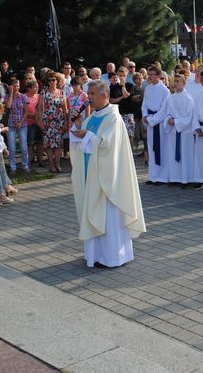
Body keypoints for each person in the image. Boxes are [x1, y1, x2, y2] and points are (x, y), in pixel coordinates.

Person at [69, 80, 146, 268]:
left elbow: (107, 147)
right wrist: (79, 128)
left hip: (108, 179)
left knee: (109, 218)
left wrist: (86, 135)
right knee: (93, 212)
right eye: (89, 93)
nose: (89, 97)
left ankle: (113, 257)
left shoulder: (113, 118)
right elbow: (84, 141)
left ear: (104, 95)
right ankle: (94, 255)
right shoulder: (91, 117)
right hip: (91, 175)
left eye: (93, 94)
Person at [162, 74, 195, 186]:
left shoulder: (188, 98)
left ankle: (186, 179)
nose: (175, 83)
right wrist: (169, 119)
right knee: (173, 154)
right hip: (173, 131)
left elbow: (189, 117)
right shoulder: (170, 98)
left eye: (178, 81)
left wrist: (176, 122)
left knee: (185, 155)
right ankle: (175, 178)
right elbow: (167, 113)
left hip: (184, 132)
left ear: (184, 83)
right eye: (174, 81)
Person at [142, 65, 171, 184]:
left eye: (152, 75)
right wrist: (145, 116)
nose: (150, 77)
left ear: (159, 76)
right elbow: (144, 104)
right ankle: (153, 176)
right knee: (151, 149)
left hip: (159, 124)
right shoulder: (148, 88)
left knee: (161, 149)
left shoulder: (165, 90)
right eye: (149, 75)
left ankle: (162, 177)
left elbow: (164, 109)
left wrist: (153, 120)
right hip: (150, 122)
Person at [37, 73, 68, 173]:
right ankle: (51, 165)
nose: (52, 82)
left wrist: (66, 122)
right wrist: (40, 122)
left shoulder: (61, 93)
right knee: (49, 145)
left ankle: (58, 165)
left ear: (57, 81)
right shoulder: (43, 93)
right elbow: (39, 109)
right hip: (47, 122)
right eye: (50, 80)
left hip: (59, 121)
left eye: (54, 80)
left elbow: (65, 109)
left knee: (58, 145)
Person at [5, 79, 30, 173]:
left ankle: (25, 165)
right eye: (14, 86)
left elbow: (26, 111)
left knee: (23, 146)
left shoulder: (23, 97)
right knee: (11, 147)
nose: (16, 87)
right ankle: (13, 167)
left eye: (18, 86)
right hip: (11, 124)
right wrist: (11, 93)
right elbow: (8, 106)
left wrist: (21, 122)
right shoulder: (7, 96)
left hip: (22, 124)